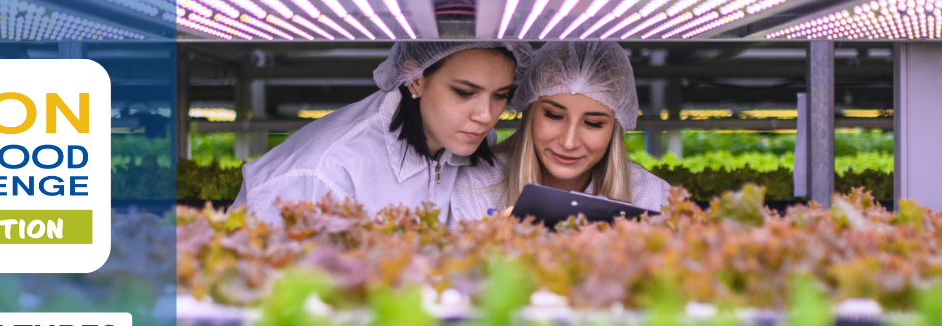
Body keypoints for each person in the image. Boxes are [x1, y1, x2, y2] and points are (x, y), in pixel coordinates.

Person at [233, 42, 534, 223]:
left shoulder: (462, 141)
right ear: (415, 78)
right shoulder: (323, 173)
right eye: (464, 92)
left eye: (500, 95)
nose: (486, 116)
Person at [450, 41, 670, 224]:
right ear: (530, 112)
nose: (569, 142)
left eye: (593, 123)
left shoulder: (650, 195)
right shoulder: (477, 184)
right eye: (554, 116)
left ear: (616, 127)